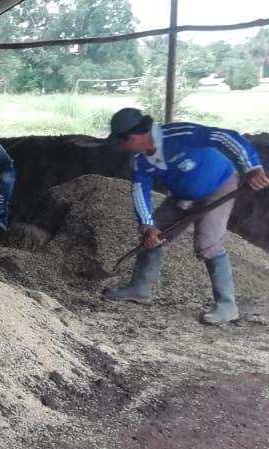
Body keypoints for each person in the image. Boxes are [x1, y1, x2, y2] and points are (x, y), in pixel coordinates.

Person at [103, 108, 267, 324]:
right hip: (183, 195)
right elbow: (139, 191)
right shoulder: (140, 160)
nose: (123, 148)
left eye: (122, 142)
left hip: (219, 186)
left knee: (207, 244)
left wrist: (251, 167)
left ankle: (227, 306)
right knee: (153, 235)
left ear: (133, 137)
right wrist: (147, 225)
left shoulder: (180, 134)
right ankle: (139, 289)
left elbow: (224, 136)